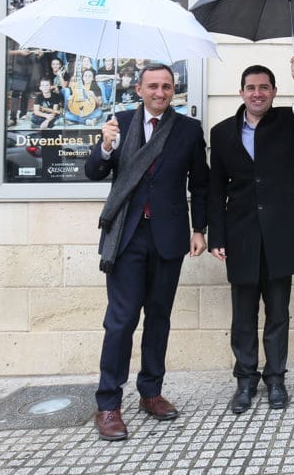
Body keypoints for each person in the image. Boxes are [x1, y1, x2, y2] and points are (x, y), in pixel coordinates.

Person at [84, 62, 208, 442]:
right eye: (152, 86)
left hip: (168, 238)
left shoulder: (188, 129)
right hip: (126, 238)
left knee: (158, 317)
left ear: (174, 91)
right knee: (120, 322)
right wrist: (104, 146)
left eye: (166, 86)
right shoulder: (118, 123)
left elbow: (201, 183)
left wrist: (200, 228)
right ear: (139, 89)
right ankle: (108, 404)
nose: (160, 92)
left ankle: (150, 392)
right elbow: (93, 172)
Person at [208, 57, 294, 414]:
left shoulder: (289, 124)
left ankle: (275, 378)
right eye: (251, 88)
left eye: (264, 87)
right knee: (242, 315)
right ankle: (245, 380)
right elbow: (216, 190)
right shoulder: (221, 133)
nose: (258, 93)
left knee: (278, 312)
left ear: (274, 92)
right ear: (241, 92)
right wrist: (217, 234)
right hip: (241, 236)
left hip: (282, 236)